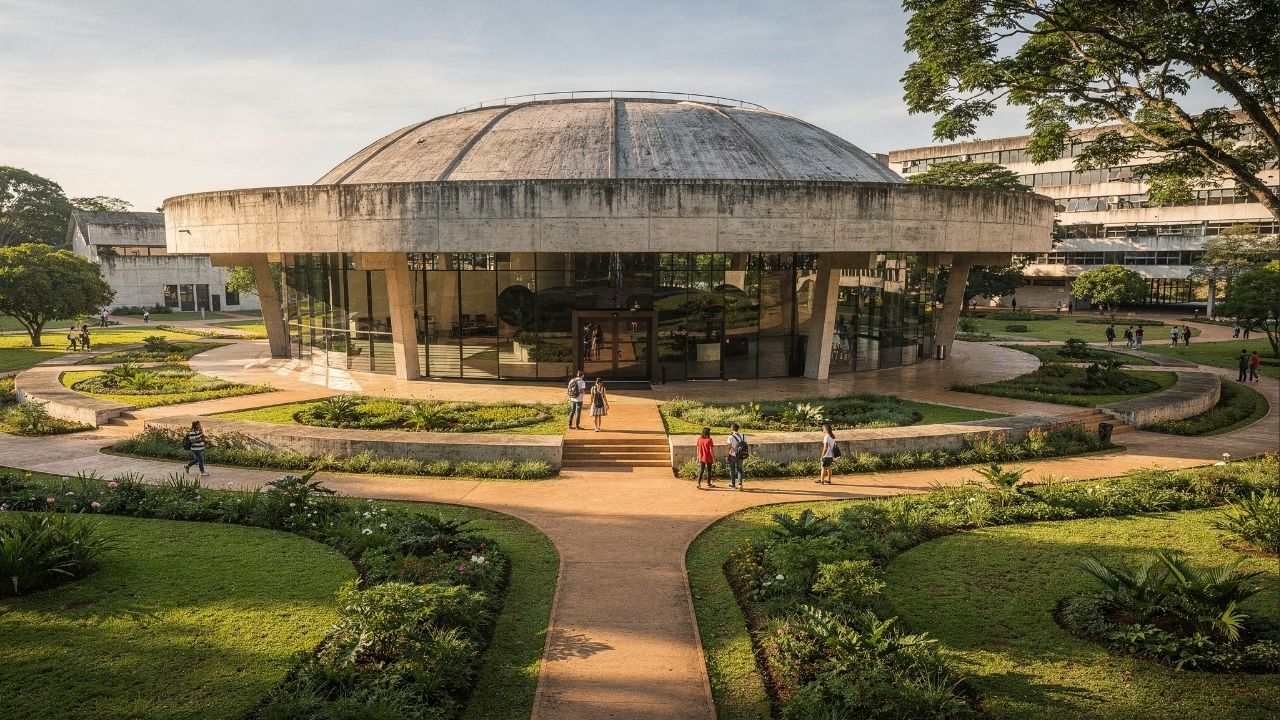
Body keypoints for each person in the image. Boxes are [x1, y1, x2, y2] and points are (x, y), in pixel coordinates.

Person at [725, 422, 747, 490]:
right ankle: (740, 484)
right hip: (741, 455)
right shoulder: (743, 436)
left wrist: (727, 455)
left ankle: (733, 484)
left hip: (733, 455)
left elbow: (728, 447)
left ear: (732, 429)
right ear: (738, 429)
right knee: (740, 469)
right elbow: (745, 445)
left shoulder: (730, 437)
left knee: (732, 469)